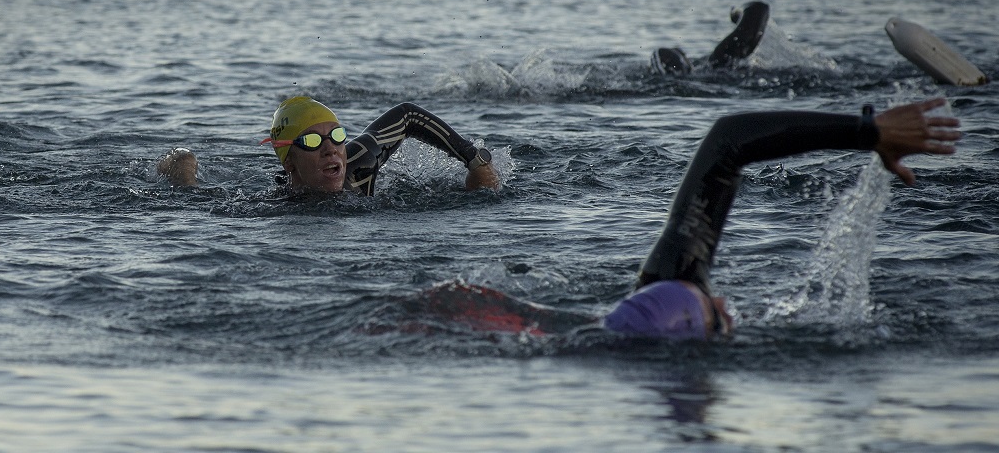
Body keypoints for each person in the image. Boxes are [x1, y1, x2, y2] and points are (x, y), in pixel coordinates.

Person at [407, 97, 960, 340]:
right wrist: (865, 133)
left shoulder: (668, 301)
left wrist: (869, 132)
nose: (725, 307)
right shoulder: (657, 311)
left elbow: (728, 140)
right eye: (714, 314)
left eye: (714, 313)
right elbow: (728, 140)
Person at [261, 95, 500, 196]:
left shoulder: (359, 166)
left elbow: (408, 115)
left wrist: (476, 162)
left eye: (336, 135)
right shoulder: (270, 209)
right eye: (311, 141)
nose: (331, 149)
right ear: (289, 161)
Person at [651, 0, 771, 76]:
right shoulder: (718, 61)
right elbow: (758, 8)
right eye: (680, 52)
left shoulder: (710, 70)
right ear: (685, 63)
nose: (684, 52)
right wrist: (736, 14)